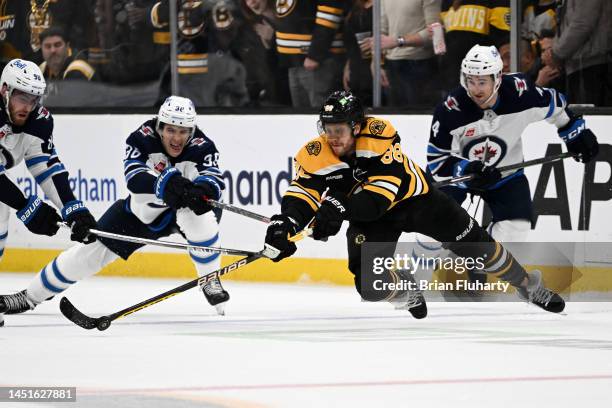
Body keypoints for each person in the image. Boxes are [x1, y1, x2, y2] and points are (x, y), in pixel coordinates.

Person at [263, 90, 566, 320]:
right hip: (370, 218)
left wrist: (337, 207)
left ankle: (527, 284)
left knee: (476, 245)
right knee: (368, 285)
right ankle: (405, 286)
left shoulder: (380, 138)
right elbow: (302, 192)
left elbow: (378, 201)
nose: (332, 137)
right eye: (327, 129)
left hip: (417, 202)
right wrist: (284, 225)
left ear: (356, 127)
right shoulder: (317, 152)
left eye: (339, 130)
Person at [0, 95, 229, 326]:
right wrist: (166, 183)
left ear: (192, 131)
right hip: (141, 213)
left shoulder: (203, 146)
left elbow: (214, 179)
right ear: (160, 127)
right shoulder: (141, 138)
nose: (177, 138)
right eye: (170, 130)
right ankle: (29, 297)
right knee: (89, 252)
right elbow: (134, 178)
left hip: (183, 210)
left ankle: (210, 279)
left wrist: (201, 190)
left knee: (199, 215)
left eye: (183, 131)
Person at [427, 44, 599, 246]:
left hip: (506, 175)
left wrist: (576, 134)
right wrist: (468, 169)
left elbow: (556, 105)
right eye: (470, 81)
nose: (475, 89)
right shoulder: (450, 110)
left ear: (497, 78)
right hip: (458, 176)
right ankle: (414, 274)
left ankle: (478, 258)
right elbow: (437, 161)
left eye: (482, 82)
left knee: (516, 228)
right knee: (433, 225)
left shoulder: (521, 94)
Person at [0, 59, 97, 325]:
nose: (27, 106)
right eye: (21, 97)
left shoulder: (39, 120)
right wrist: (25, 206)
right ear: (4, 90)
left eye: (34, 99)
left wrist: (72, 207)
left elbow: (46, 169)